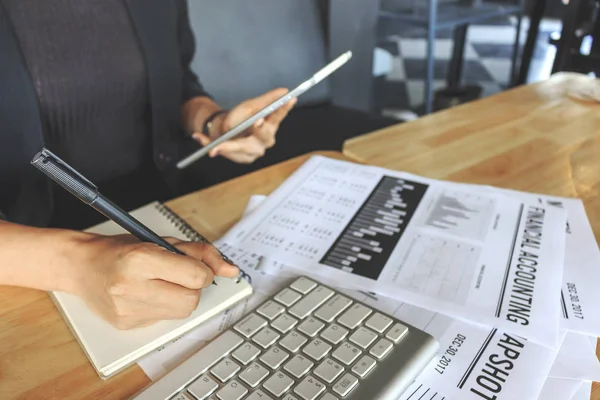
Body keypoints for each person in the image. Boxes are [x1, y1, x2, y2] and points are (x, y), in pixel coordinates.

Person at [0, 0, 295, 329]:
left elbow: (180, 84)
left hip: (162, 202)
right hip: (25, 246)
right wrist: (79, 263)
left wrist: (215, 125)